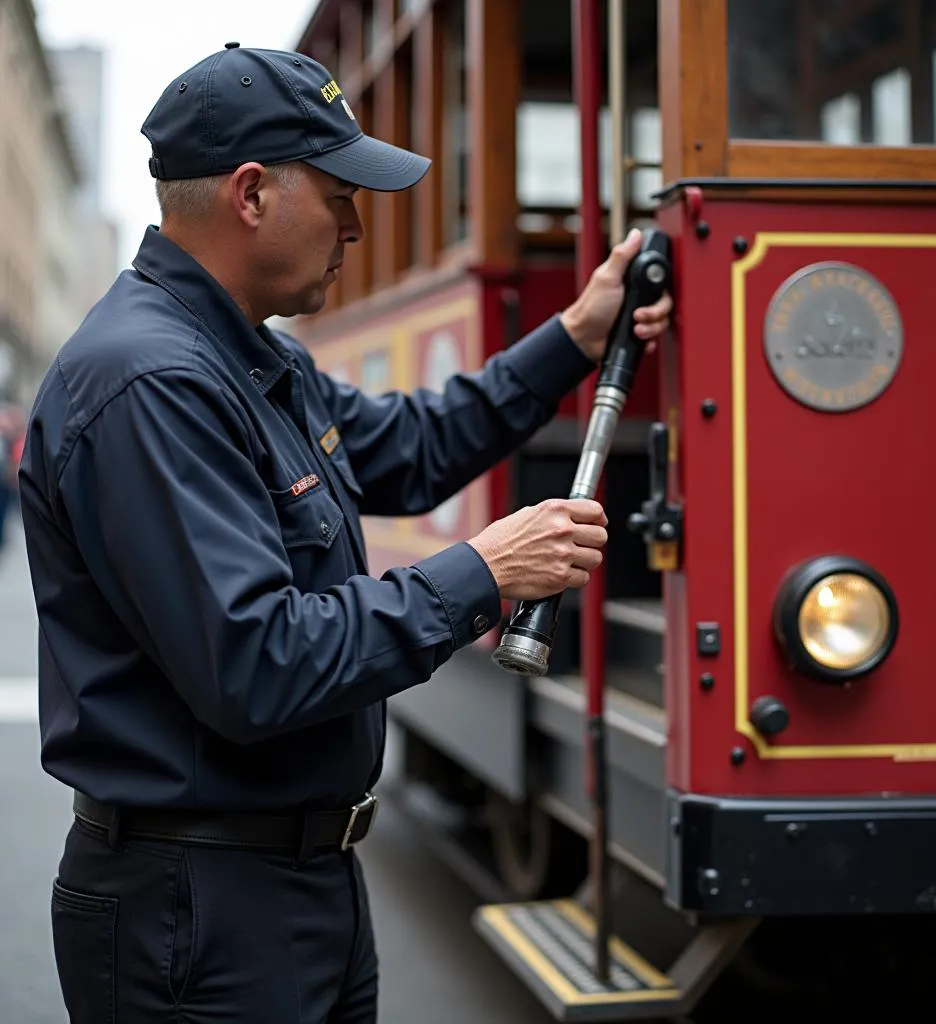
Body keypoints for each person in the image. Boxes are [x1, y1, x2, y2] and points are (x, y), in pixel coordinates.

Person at [18, 43, 672, 1024]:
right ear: (250, 194)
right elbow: (258, 661)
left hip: (285, 885)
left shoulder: (244, 358)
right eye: (338, 195)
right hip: (201, 908)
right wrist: (484, 572)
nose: (357, 227)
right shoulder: (151, 382)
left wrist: (575, 335)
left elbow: (410, 446)